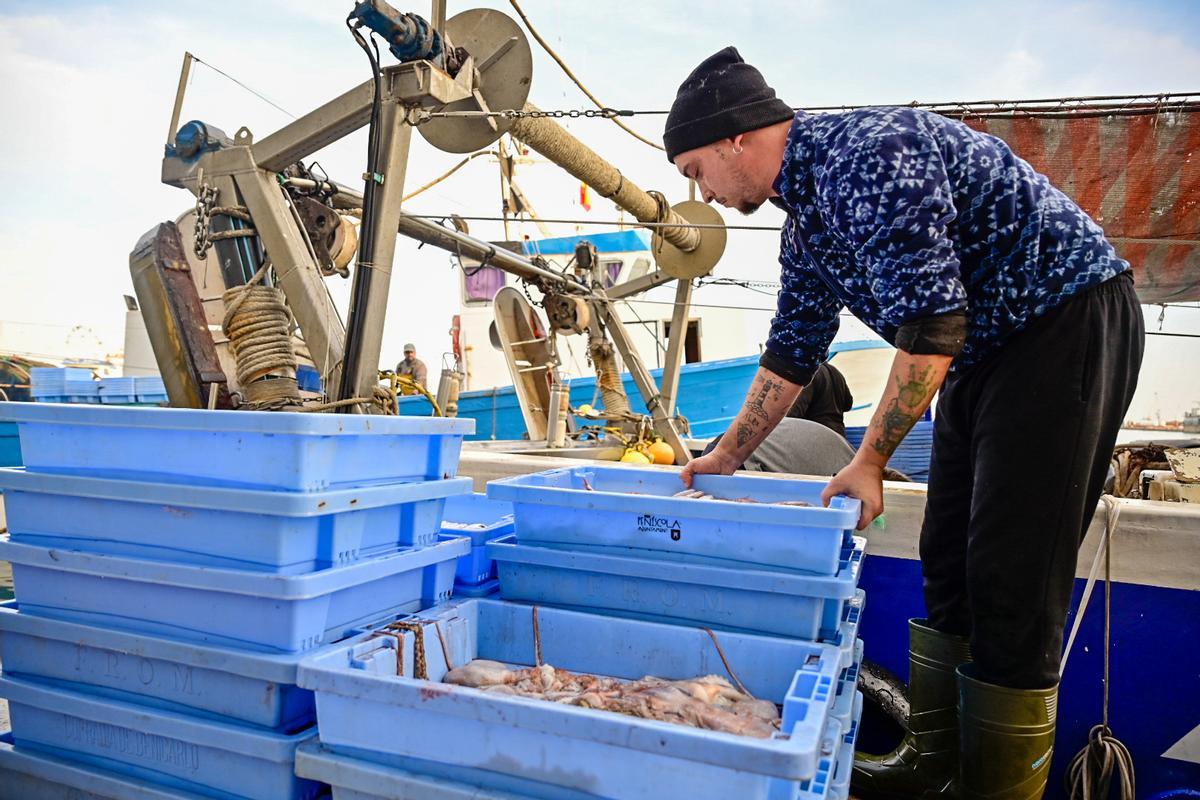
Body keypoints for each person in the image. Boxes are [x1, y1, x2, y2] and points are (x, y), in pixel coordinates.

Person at [668, 47, 1143, 799]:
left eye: (695, 170)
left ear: (736, 138)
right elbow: (792, 353)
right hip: (981, 354)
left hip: (1062, 324)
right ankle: (937, 764)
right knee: (946, 566)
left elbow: (932, 321)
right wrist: (726, 455)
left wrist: (869, 460)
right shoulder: (808, 227)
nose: (702, 192)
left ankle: (995, 789)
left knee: (1010, 584)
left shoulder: (867, 153)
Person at [787, 360, 853, 437]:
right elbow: (848, 404)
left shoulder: (809, 373)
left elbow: (796, 411)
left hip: (816, 435)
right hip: (839, 435)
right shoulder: (837, 373)